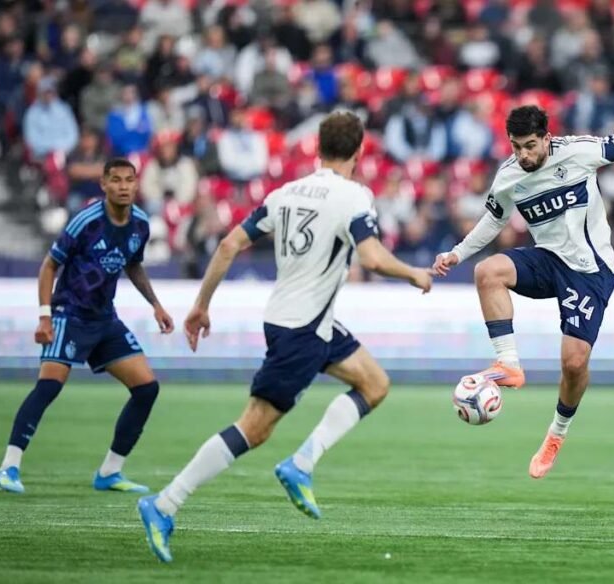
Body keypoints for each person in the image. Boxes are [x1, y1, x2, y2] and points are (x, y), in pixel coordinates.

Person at [137, 112, 433, 563]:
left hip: (299, 320)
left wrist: (200, 305)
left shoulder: (286, 193)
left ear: (317, 148)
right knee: (253, 428)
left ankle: (301, 464)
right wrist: (412, 272)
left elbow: (227, 245)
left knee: (374, 383)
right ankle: (164, 504)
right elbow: (371, 257)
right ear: (358, 153)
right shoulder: (355, 196)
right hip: (303, 330)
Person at [432, 105, 614, 479]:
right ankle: (508, 363)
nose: (522, 154)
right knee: (487, 271)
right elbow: (493, 220)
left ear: (546, 139)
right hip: (548, 261)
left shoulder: (579, 151)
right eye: (515, 146)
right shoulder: (509, 175)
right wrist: (456, 253)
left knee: (573, 364)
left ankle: (556, 434)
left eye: (529, 146)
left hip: (591, 270)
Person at [0, 159, 174, 495]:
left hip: (104, 318)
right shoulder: (86, 222)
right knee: (48, 387)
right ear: (103, 185)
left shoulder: (141, 224)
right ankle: (8, 467)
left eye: (129, 180)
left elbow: (133, 264)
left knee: (147, 388)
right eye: (116, 180)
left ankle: (109, 472)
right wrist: (45, 316)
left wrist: (156, 304)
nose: (123, 186)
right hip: (69, 315)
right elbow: (49, 266)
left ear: (136, 184)